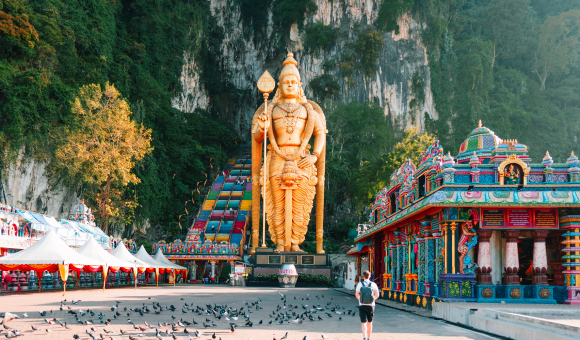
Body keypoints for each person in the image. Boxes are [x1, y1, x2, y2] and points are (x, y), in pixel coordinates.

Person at [355, 271, 380, 340]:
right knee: (370, 322)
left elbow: (357, 295)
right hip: (371, 306)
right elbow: (377, 295)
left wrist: (360, 300)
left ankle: (364, 337)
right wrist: (372, 300)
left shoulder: (360, 284)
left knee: (363, 322)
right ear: (370, 276)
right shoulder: (373, 284)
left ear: (363, 276)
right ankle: (369, 337)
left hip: (362, 305)